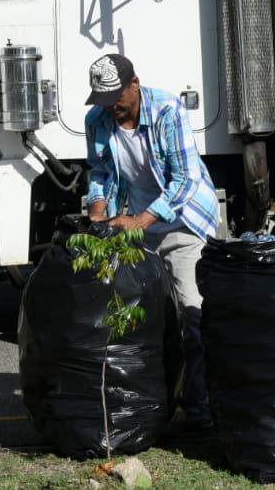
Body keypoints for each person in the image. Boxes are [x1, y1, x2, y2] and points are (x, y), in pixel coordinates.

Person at [83, 53, 220, 429]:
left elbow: (187, 179)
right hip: (139, 228)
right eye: (102, 99)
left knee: (192, 314)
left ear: (135, 84)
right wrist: (98, 210)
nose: (111, 106)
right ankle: (156, 405)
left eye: (117, 97)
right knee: (146, 322)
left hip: (183, 223)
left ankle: (199, 408)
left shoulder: (167, 111)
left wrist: (142, 220)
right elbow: (100, 171)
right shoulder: (97, 120)